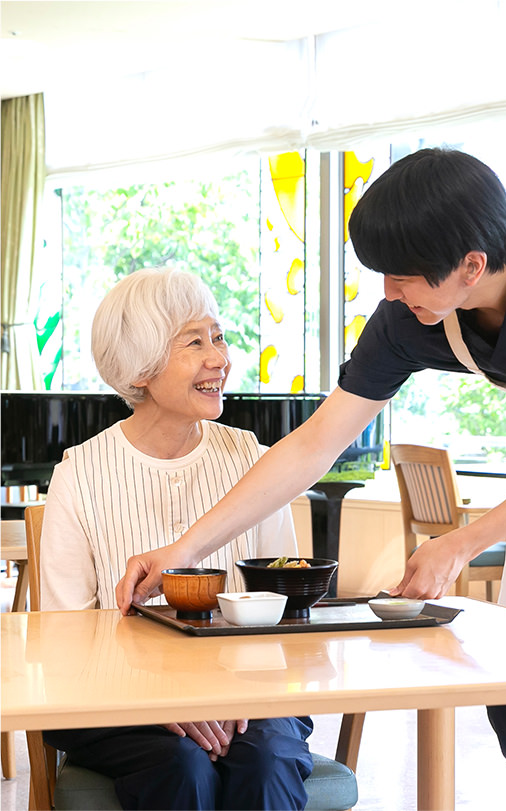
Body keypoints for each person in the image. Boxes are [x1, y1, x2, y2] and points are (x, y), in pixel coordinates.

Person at [117, 148, 506, 811]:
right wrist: (182, 550)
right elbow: (312, 444)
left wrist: (457, 543)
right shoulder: (406, 322)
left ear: (471, 266)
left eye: (402, 274)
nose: (388, 291)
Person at [40, 267, 314, 811]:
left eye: (219, 336)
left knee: (264, 762)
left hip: (249, 692)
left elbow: (287, 608)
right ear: (140, 369)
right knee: (180, 765)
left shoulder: (252, 460)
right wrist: (158, 700)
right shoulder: (80, 473)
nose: (219, 358)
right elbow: (63, 639)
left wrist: (236, 691)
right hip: (115, 701)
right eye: (194, 342)